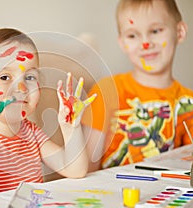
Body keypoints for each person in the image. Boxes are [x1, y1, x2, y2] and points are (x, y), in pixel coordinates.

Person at [0, 28, 95, 199]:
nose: (21, 88)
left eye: (29, 78)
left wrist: (71, 127)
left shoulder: (32, 134)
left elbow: (75, 170)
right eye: (4, 77)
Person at [82, 0, 193, 171]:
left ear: (179, 32)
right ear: (122, 43)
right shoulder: (106, 92)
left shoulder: (187, 103)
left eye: (155, 31)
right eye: (133, 35)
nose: (145, 44)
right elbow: (86, 168)